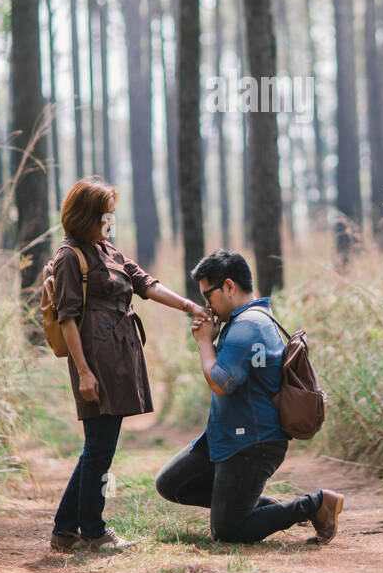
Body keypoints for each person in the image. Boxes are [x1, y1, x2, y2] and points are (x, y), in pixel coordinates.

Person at [48, 177, 210, 553]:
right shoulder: (70, 257)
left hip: (121, 359)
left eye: (112, 213)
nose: (111, 220)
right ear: (86, 215)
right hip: (95, 364)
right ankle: (92, 531)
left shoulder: (108, 251)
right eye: (106, 214)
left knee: (97, 448)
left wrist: (190, 307)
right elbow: (68, 319)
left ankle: (64, 530)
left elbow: (146, 284)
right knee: (99, 450)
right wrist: (84, 373)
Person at [155, 249, 344, 545]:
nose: (207, 305)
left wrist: (205, 342)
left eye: (209, 296)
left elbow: (220, 383)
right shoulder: (244, 322)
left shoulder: (248, 325)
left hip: (253, 443)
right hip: (228, 439)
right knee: (171, 483)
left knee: (228, 532)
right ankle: (243, 507)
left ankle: (316, 505)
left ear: (229, 287)